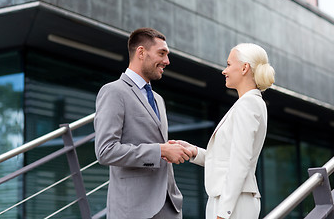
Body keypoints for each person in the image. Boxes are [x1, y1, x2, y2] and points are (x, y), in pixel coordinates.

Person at [94, 27, 192, 219]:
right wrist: (160, 150)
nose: (167, 61)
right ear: (141, 52)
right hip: (134, 210)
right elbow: (105, 151)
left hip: (169, 206)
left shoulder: (158, 99)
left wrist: (171, 149)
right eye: (161, 53)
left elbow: (154, 141)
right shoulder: (114, 92)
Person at [174, 43, 275, 219]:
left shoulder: (248, 104)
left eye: (228, 64)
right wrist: (194, 152)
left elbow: (240, 161)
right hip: (232, 199)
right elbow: (227, 159)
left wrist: (224, 212)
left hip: (233, 203)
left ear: (244, 68)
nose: (224, 71)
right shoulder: (249, 103)